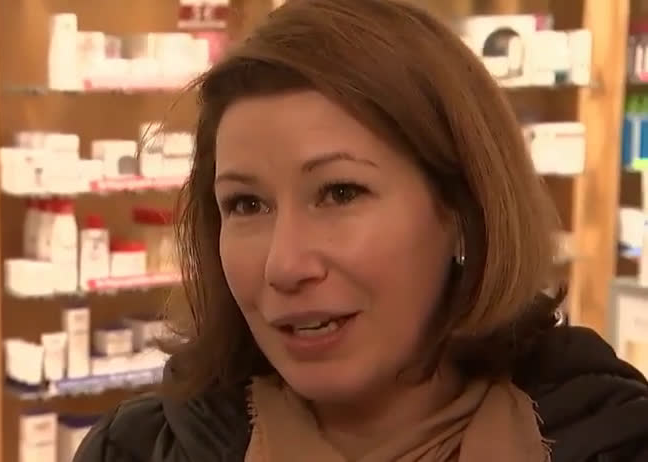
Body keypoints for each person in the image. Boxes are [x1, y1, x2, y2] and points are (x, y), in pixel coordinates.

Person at [74, 1, 648, 461]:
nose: (285, 265)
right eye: (246, 204)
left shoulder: (616, 439)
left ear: (463, 210)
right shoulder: (135, 449)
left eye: (340, 193)